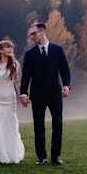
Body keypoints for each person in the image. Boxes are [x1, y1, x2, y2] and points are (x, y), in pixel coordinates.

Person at [19, 23, 71, 166]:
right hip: (37, 95)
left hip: (55, 94)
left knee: (58, 124)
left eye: (33, 34)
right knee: (39, 126)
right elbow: (26, 77)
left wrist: (66, 85)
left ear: (42, 33)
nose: (32, 37)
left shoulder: (58, 50)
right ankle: (41, 156)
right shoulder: (30, 55)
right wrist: (23, 93)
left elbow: (65, 71)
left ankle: (56, 156)